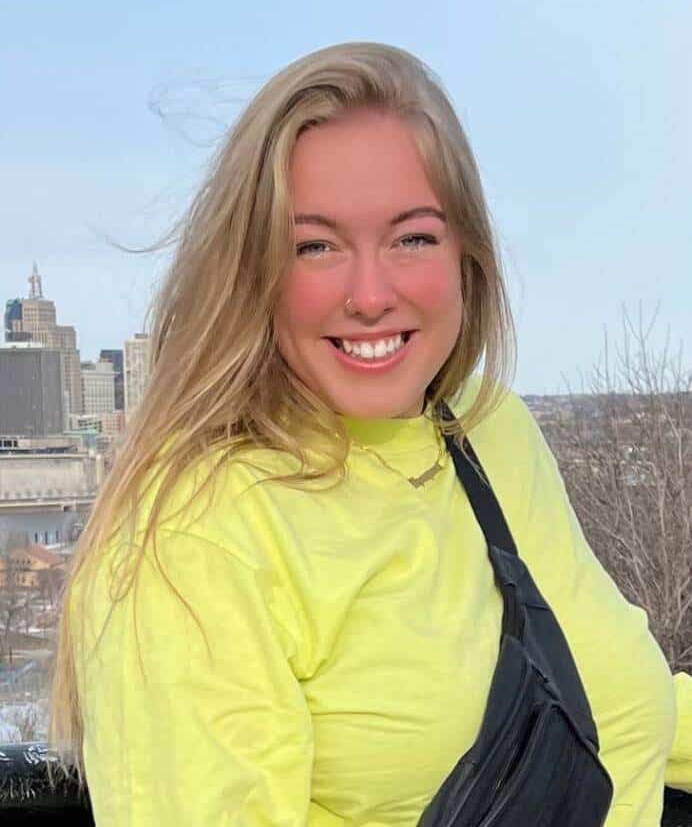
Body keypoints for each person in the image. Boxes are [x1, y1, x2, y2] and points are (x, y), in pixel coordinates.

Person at [47, 42, 691, 825]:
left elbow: (604, 690)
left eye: (412, 236)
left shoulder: (488, 432)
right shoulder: (193, 539)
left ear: (467, 254)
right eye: (314, 246)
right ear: (252, 273)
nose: (370, 294)